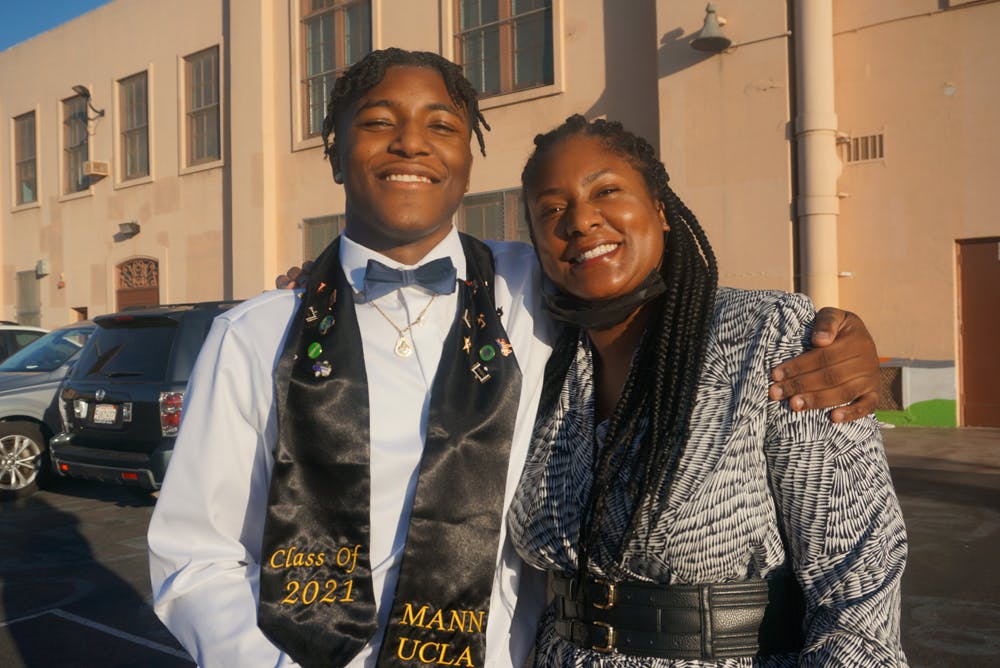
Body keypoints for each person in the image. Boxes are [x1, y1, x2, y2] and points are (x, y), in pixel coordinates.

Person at [148, 48, 884, 668]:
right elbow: (196, 555)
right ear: (334, 150)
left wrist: (840, 339)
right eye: (377, 123)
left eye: (442, 125)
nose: (411, 142)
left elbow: (651, 283)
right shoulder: (259, 335)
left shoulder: (530, 288)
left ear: (467, 163)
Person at [507, 115, 907, 665]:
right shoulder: (541, 363)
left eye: (607, 191)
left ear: (662, 213)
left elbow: (859, 573)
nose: (579, 220)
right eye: (551, 209)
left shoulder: (766, 339)